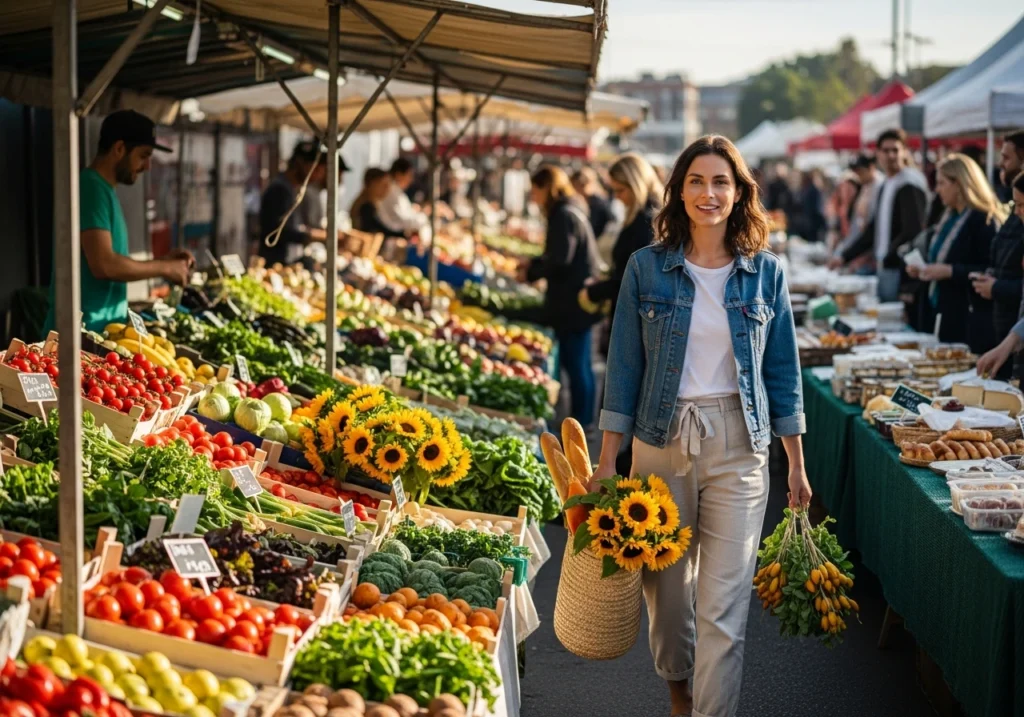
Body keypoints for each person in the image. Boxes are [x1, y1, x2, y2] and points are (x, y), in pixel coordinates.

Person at [593, 135, 810, 717]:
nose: (708, 193)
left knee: (723, 609)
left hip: (741, 444)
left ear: (739, 192)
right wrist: (605, 461)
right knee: (666, 597)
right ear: (679, 190)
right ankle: (679, 692)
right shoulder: (646, 267)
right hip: (659, 442)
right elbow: (623, 369)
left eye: (721, 182)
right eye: (696, 181)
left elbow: (784, 372)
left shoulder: (767, 273)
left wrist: (797, 462)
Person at [43, 110, 193, 334]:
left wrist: (164, 261)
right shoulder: (91, 188)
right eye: (143, 155)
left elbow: (111, 261)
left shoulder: (104, 190)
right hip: (78, 336)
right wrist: (163, 268)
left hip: (98, 334)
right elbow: (104, 265)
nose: (147, 166)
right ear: (119, 149)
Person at [579, 152, 663, 475]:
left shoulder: (646, 220)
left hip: (639, 323)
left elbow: (633, 278)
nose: (617, 196)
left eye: (620, 189)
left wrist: (597, 289)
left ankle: (613, 475)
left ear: (635, 183)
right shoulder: (640, 215)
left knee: (622, 396)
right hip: (629, 316)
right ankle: (611, 471)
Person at [905, 154, 1006, 353]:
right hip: (941, 310)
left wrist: (950, 271)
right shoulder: (949, 216)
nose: (937, 189)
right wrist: (924, 269)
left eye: (942, 183)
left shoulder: (983, 220)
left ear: (959, 184)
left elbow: (990, 270)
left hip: (967, 316)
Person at [526, 166, 602, 427]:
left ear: (547, 188)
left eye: (535, 190)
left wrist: (532, 271)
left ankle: (583, 421)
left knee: (577, 363)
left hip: (572, 303)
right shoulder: (572, 209)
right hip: (575, 300)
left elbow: (560, 259)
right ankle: (584, 419)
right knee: (580, 362)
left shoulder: (563, 215)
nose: (533, 196)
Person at [830, 129, 928, 302]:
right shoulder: (888, 183)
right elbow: (874, 229)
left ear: (904, 152)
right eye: (886, 150)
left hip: (903, 271)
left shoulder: (909, 183)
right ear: (878, 154)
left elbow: (912, 231)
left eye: (895, 150)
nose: (891, 155)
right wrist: (844, 256)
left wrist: (889, 257)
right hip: (886, 267)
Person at [972, 131, 1024, 376]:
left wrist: (997, 287)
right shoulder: (1014, 213)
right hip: (1006, 329)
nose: (1001, 164)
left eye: (1006, 157)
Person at [259, 140, 349, 266]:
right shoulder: (280, 190)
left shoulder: (292, 189)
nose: (319, 174)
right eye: (315, 168)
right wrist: (320, 237)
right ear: (300, 164)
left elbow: (298, 226)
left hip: (290, 260)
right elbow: (282, 232)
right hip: (277, 262)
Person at [377, 157, 430, 240]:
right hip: (391, 237)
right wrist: (423, 217)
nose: (411, 180)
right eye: (409, 175)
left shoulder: (395, 190)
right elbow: (401, 220)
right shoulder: (391, 190)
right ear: (398, 174)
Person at [350, 168, 404, 240]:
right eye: (384, 185)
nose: (388, 189)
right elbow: (378, 230)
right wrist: (402, 234)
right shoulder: (366, 206)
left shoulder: (370, 202)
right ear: (373, 184)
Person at [572, 167, 613, 239]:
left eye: (577, 186)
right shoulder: (587, 200)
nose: (575, 190)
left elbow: (594, 228)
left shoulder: (597, 202)